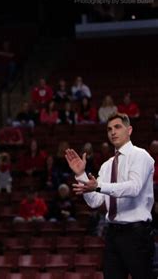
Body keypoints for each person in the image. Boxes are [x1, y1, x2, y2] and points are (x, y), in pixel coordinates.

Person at [65, 113, 155, 279]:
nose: (113, 132)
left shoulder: (141, 156)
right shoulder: (106, 166)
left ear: (129, 130)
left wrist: (98, 186)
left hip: (137, 233)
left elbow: (134, 188)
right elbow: (95, 201)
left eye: (117, 127)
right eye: (109, 129)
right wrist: (81, 175)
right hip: (112, 234)